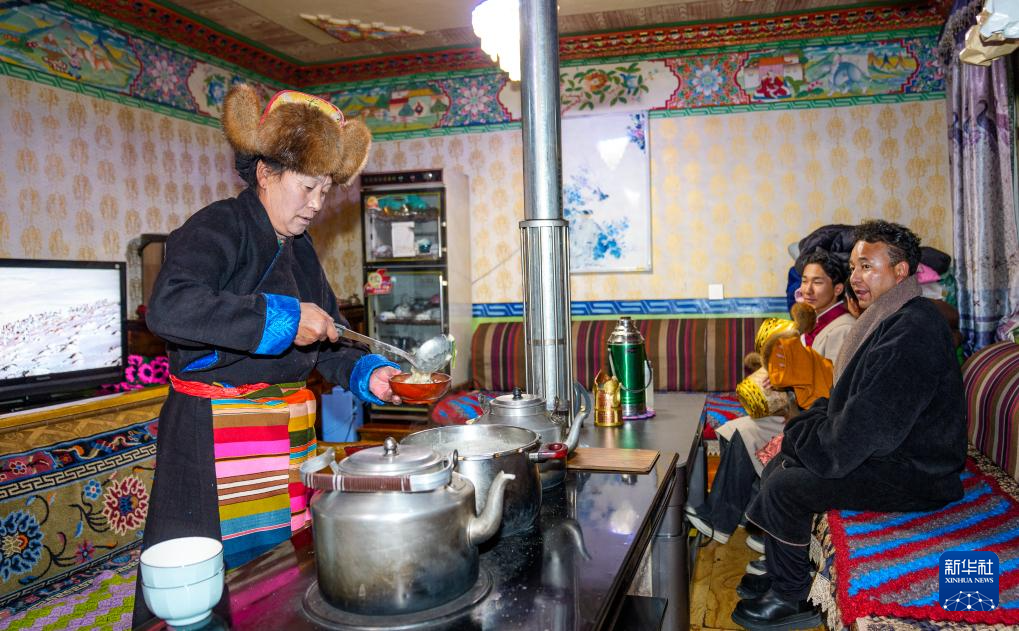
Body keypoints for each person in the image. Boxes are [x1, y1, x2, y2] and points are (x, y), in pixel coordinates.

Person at [133, 85, 403, 625]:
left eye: (325, 190)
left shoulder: (299, 248)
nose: (317, 204)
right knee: (205, 583)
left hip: (284, 434)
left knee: (284, 567)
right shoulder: (217, 227)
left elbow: (329, 337)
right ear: (265, 173)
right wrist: (280, 319)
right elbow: (170, 307)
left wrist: (367, 373)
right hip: (213, 433)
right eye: (307, 187)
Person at [732, 220, 967, 630]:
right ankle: (787, 571)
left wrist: (800, 433)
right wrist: (806, 429)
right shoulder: (888, 317)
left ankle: (792, 599)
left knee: (788, 486)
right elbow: (847, 401)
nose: (855, 277)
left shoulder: (913, 331)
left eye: (867, 267)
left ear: (900, 271)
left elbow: (859, 436)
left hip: (917, 473)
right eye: (855, 266)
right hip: (890, 451)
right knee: (782, 463)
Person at [686, 249, 854, 551]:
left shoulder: (841, 329)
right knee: (734, 428)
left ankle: (722, 520)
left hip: (819, 421)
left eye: (818, 282)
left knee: (743, 431)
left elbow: (833, 389)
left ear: (839, 288)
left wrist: (788, 389)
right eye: (805, 281)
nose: (807, 289)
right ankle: (740, 514)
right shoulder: (812, 324)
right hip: (799, 411)